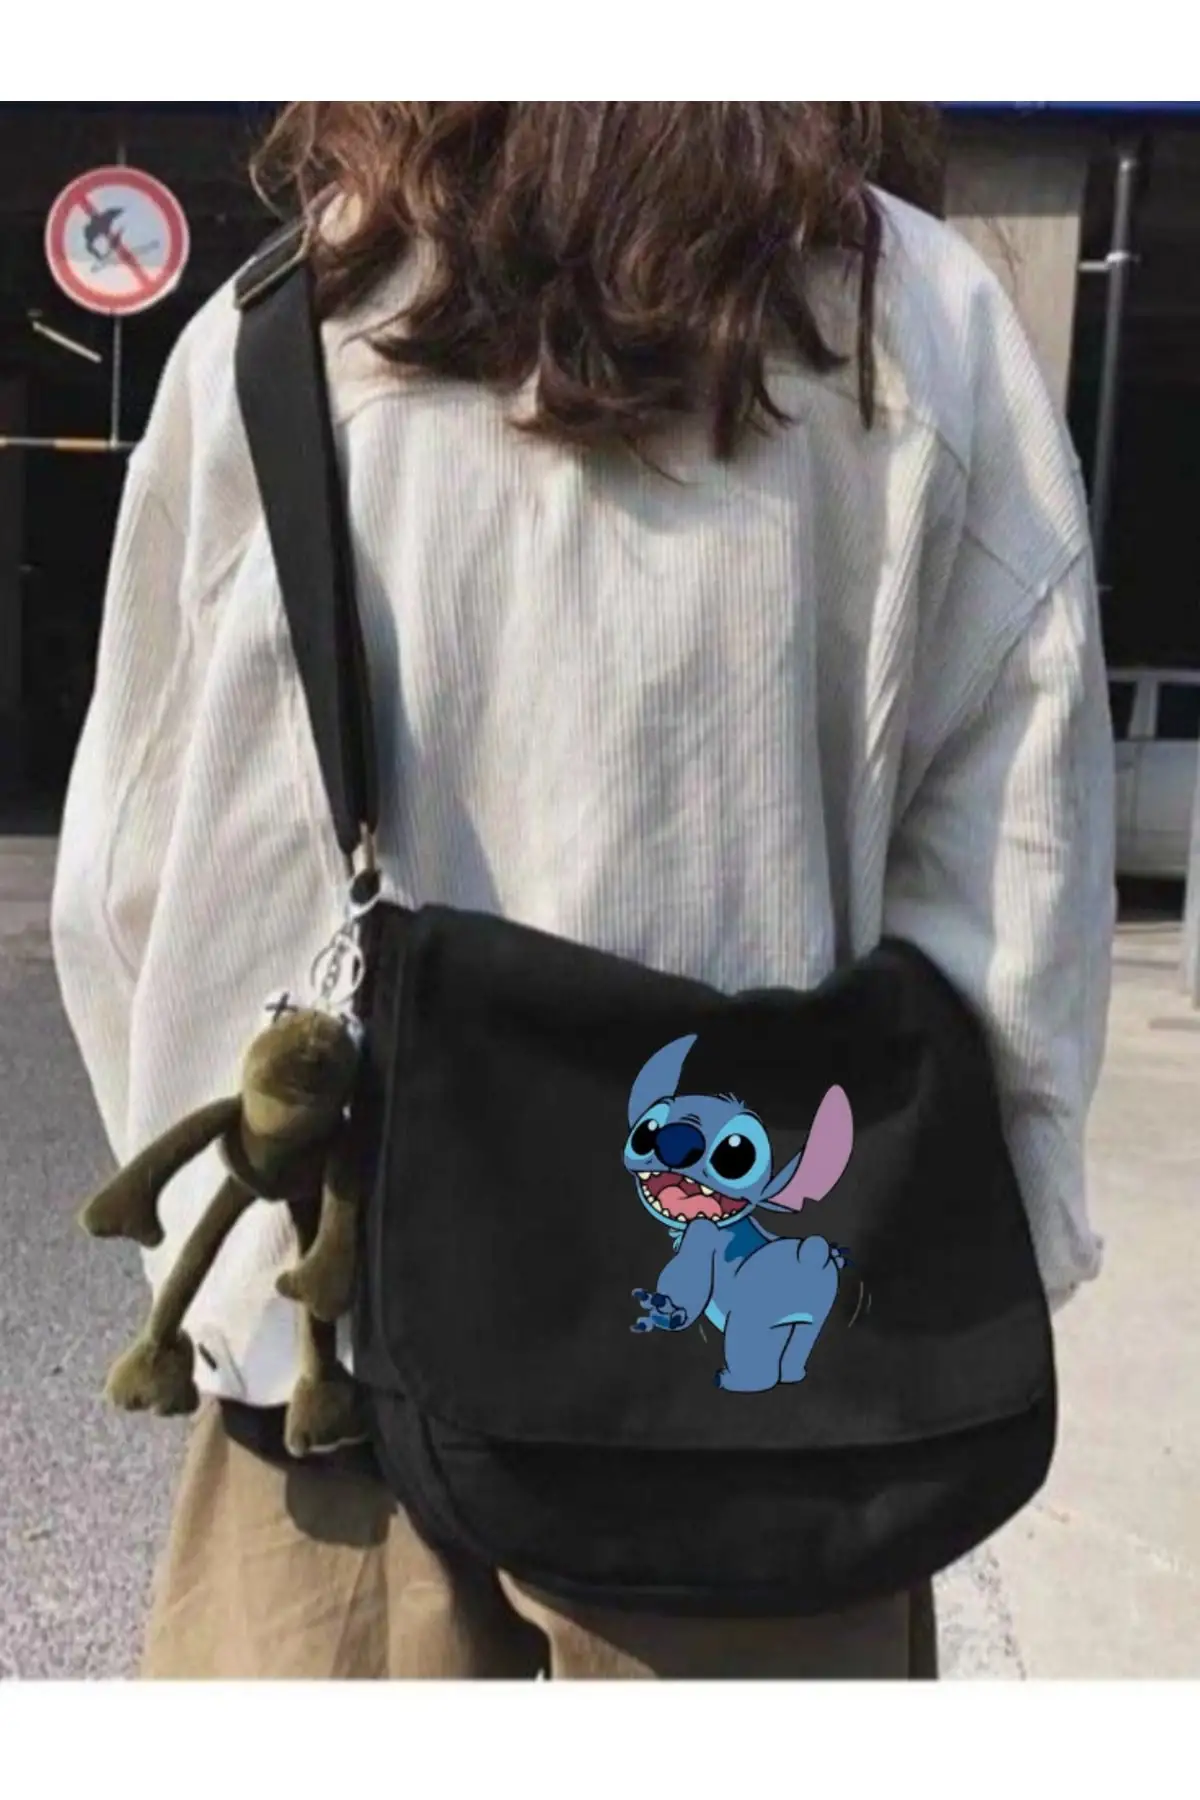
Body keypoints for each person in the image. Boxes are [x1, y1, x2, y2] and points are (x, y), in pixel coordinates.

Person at [50, 102, 1114, 1680]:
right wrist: (931, 1309)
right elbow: (1019, 903)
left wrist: (245, 1302)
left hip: (339, 1390)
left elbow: (130, 887)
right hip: (764, 1436)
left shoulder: (285, 323)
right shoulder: (923, 321)